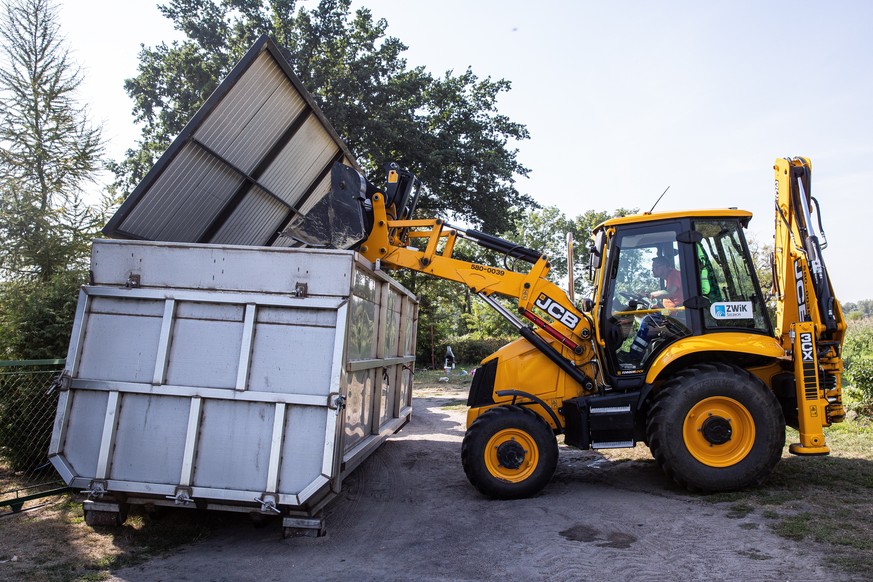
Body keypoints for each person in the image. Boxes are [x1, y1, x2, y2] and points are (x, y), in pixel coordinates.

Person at [626, 257, 684, 366]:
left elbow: (670, 292)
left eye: (655, 267)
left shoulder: (673, 274)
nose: (653, 270)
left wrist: (651, 294)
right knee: (643, 314)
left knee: (647, 322)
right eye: (653, 267)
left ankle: (634, 357)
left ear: (665, 266)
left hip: (675, 315)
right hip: (669, 312)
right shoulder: (669, 277)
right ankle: (644, 355)